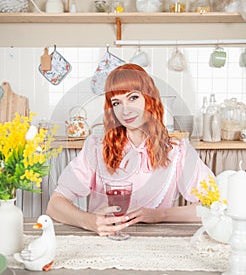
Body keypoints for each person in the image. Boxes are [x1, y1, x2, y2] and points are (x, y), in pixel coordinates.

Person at [46, 63, 214, 236]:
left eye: (133, 98)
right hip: (103, 243)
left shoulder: (177, 150)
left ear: (149, 99)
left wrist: (158, 215)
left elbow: (214, 207)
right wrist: (90, 222)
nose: (125, 110)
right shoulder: (97, 147)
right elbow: (55, 205)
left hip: (157, 246)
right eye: (117, 103)